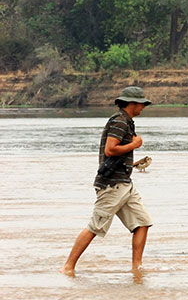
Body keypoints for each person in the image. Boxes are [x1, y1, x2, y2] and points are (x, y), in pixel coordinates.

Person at [60, 86, 154, 276]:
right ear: (131, 104)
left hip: (125, 183)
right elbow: (110, 150)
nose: (143, 107)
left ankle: (137, 268)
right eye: (141, 104)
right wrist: (135, 144)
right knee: (95, 226)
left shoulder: (127, 122)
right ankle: (68, 267)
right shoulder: (119, 122)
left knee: (142, 223)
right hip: (112, 184)